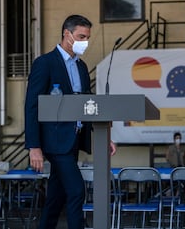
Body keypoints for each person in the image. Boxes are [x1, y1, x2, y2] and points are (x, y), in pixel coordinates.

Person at [24, 14, 116, 229]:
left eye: (87, 37)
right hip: (55, 140)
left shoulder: (82, 67)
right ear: (67, 34)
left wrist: (105, 136)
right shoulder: (45, 63)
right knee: (76, 190)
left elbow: (88, 105)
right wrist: (33, 147)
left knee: (56, 196)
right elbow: (31, 106)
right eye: (81, 36)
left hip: (74, 140)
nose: (85, 41)